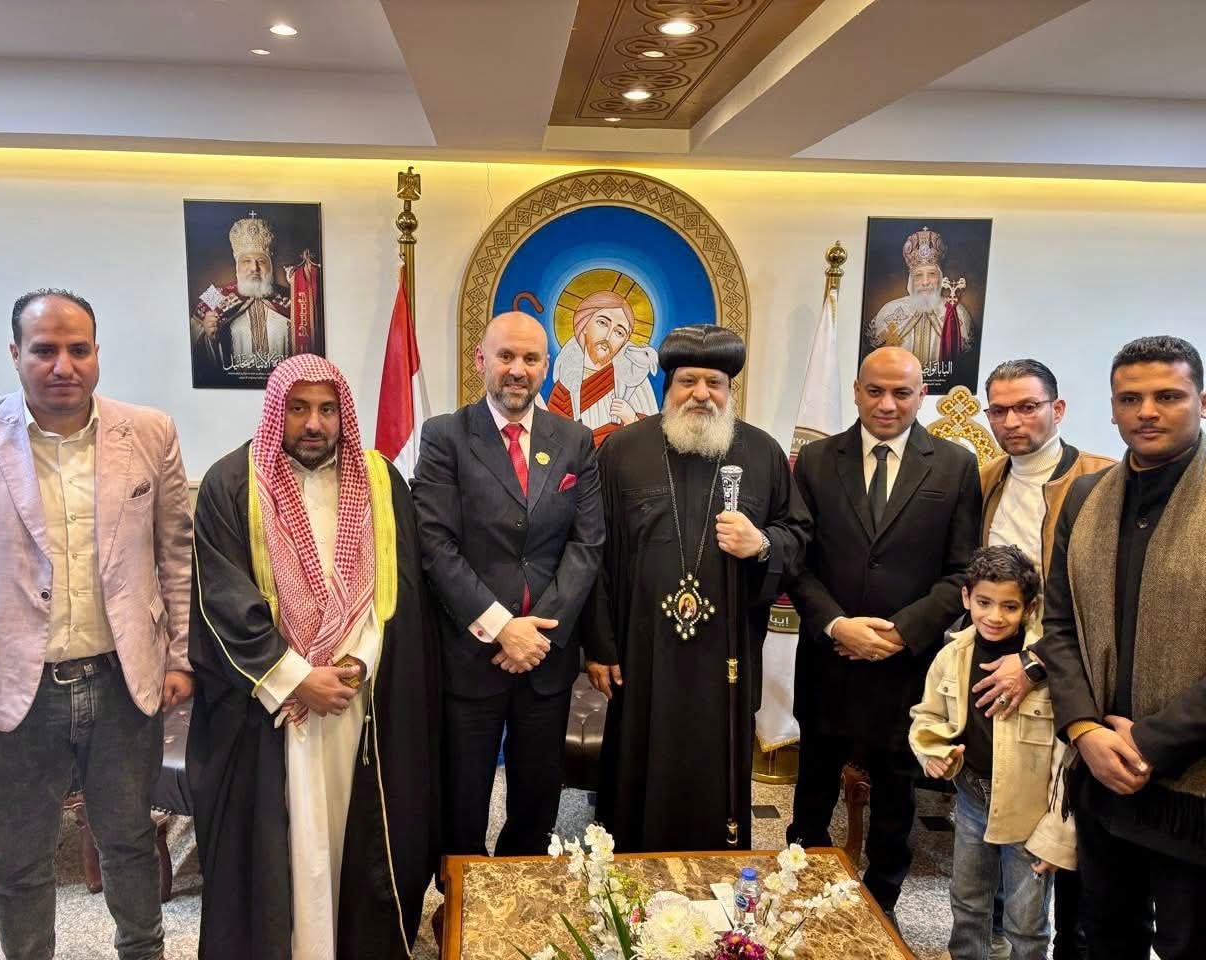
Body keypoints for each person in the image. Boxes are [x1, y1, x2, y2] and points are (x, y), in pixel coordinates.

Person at [0, 288, 193, 960]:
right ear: (15, 354)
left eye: (78, 349)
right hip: (11, 689)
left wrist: (180, 657)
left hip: (123, 680)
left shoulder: (150, 431)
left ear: (97, 352)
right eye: (44, 350)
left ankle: (144, 952)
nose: (63, 365)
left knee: (130, 843)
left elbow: (176, 554)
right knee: (19, 859)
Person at [187, 354, 438, 960]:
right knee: (284, 842)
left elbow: (400, 591)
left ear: (343, 413)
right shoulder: (232, 483)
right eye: (298, 408)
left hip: (359, 700)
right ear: (277, 410)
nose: (314, 424)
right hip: (273, 710)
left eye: (327, 409)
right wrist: (299, 679)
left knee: (357, 833)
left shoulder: (381, 482)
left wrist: (359, 664)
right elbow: (224, 599)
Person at [583, 324, 810, 852]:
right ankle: (629, 870)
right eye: (688, 381)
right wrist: (599, 645)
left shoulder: (762, 453)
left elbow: (798, 535)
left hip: (726, 650)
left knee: (717, 765)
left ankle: (716, 871)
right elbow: (592, 552)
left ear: (730, 390)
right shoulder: (622, 450)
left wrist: (762, 543)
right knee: (636, 764)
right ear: (669, 386)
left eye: (715, 383)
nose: (702, 394)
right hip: (641, 649)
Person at [786, 346, 981, 917]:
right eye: (875, 391)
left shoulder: (954, 465)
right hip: (829, 657)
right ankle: (800, 889)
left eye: (902, 392)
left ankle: (883, 901)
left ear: (922, 395)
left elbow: (962, 570)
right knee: (813, 782)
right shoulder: (816, 459)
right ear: (856, 391)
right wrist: (837, 624)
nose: (887, 404)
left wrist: (902, 632)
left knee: (897, 790)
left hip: (906, 667)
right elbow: (797, 562)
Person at [1034, 335, 1206, 960]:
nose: (1147, 412)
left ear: (1202, 401)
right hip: (1100, 773)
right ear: (1112, 409)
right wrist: (1084, 730)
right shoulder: (1085, 497)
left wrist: (1147, 743)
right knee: (1103, 938)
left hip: (1191, 788)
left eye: (1168, 396)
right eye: (1130, 398)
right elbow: (1059, 625)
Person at [412, 312, 603, 865]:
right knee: (462, 798)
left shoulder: (574, 440)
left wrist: (535, 636)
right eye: (506, 356)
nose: (518, 369)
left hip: (545, 657)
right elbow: (435, 545)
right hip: (471, 655)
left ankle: (524, 890)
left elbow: (587, 544)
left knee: (537, 801)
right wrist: (502, 628)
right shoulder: (446, 436)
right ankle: (460, 897)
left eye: (531, 358)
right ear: (481, 360)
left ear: (546, 366)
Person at [971, 357, 1113, 960]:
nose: (1012, 421)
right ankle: (996, 935)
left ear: (1057, 409)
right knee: (999, 810)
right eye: (999, 410)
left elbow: (1097, 602)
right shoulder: (986, 479)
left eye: (1027, 407)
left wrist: (1033, 664)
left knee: (1068, 828)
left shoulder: (1100, 479)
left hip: (1070, 674)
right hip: (997, 666)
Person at [910, 545, 1075, 960]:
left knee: (1027, 923)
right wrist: (933, 752)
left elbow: (1067, 759)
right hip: (971, 801)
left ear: (1030, 608)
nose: (995, 616)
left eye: (1009, 606)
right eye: (984, 603)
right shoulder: (951, 655)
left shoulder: (1049, 668)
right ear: (967, 597)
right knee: (967, 903)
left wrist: (1057, 835)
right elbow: (927, 715)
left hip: (1030, 814)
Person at [546, 290, 659, 445]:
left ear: (624, 343)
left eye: (619, 332)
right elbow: (552, 442)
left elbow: (653, 442)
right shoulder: (565, 386)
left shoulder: (634, 382)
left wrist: (631, 419)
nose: (608, 336)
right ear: (584, 325)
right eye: (603, 323)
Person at [191, 213, 293, 371]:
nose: (254, 268)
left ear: (271, 265)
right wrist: (208, 338)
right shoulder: (213, 296)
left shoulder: (292, 298)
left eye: (261, 261)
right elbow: (191, 348)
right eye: (246, 261)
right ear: (237, 265)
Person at [867, 226, 973, 371]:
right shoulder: (889, 311)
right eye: (918, 275)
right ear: (910, 280)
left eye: (932, 274)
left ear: (941, 278)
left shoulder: (957, 313)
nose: (925, 282)